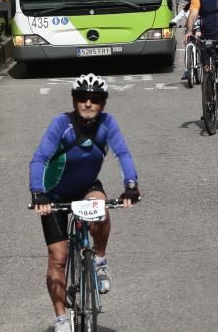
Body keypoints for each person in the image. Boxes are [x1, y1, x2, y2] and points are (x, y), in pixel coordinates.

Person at [29, 75, 141, 332]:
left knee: (101, 210)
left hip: (87, 188)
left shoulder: (107, 123)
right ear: (74, 99)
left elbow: (123, 153)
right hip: (54, 195)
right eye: (82, 97)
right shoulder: (62, 123)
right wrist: (38, 193)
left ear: (103, 103)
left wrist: (130, 187)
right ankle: (61, 320)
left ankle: (99, 260)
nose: (88, 103)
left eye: (95, 99)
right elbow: (40, 158)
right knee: (58, 258)